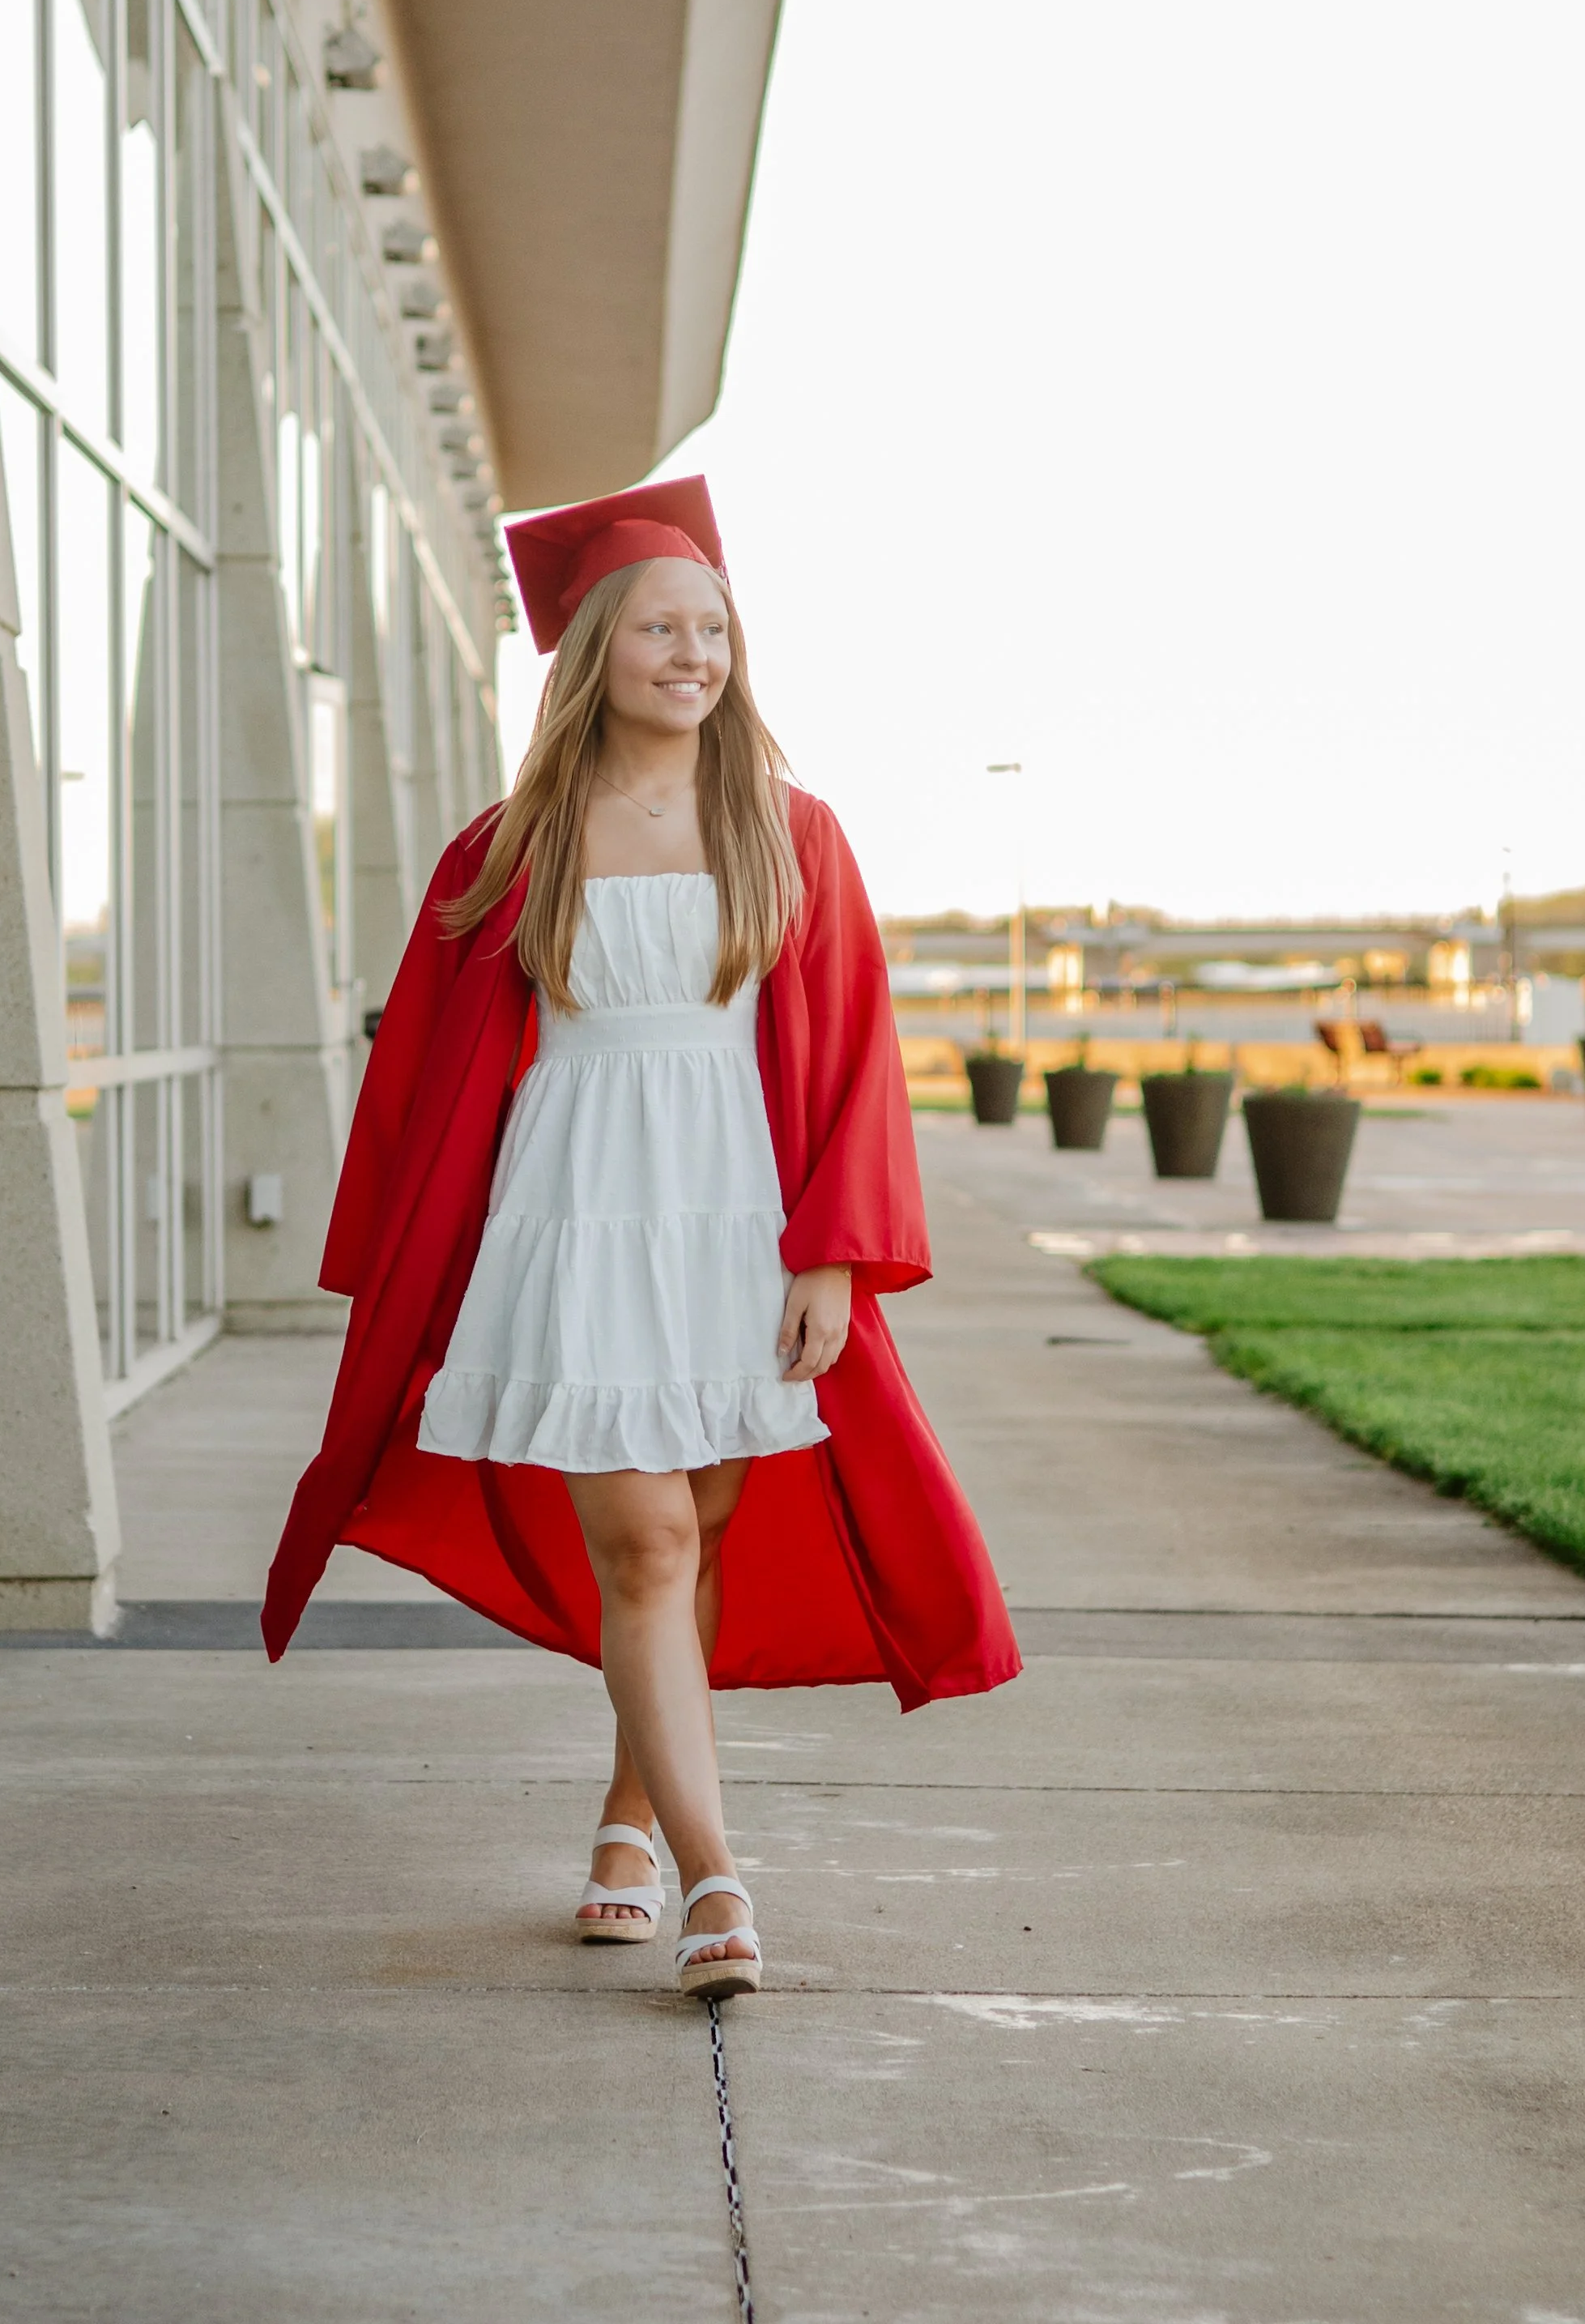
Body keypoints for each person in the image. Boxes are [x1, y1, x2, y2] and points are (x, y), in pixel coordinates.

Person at [264, 477, 1019, 1998]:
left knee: (704, 1535)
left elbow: (859, 1049)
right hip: (576, 1214)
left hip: (737, 1212)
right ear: (595, 649)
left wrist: (831, 1253)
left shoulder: (789, 827)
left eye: (716, 628)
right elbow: (427, 1066)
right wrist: (434, 1255)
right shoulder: (514, 840)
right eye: (663, 628)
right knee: (651, 1536)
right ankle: (718, 1878)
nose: (695, 654)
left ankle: (625, 1815)